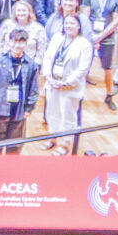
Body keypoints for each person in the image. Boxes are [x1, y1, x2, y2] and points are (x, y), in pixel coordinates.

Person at [44, 13, 96, 152]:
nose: (68, 26)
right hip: (52, 83)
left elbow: (83, 69)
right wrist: (48, 77)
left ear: (79, 26)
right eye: (66, 23)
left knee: (67, 116)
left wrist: (66, 83)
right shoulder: (57, 38)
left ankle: (65, 144)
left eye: (72, 23)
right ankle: (52, 138)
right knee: (52, 113)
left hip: (69, 87)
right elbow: (47, 58)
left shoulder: (84, 44)